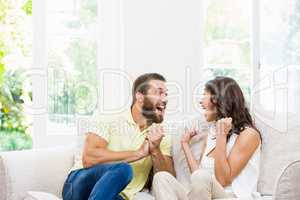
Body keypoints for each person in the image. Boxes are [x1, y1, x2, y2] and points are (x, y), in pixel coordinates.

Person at [62, 73, 175, 200]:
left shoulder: (160, 134)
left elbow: (168, 179)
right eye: (159, 92)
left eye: (166, 94)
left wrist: (155, 149)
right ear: (140, 97)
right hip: (80, 185)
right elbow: (89, 158)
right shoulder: (109, 117)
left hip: (117, 196)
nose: (165, 99)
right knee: (123, 170)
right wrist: (138, 153)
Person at [153, 76, 261, 200]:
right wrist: (185, 144)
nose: (201, 101)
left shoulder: (248, 135)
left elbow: (223, 180)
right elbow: (197, 177)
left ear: (219, 100)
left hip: (230, 196)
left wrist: (221, 136)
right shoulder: (212, 132)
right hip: (205, 196)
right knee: (161, 178)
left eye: (205, 95)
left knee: (201, 177)